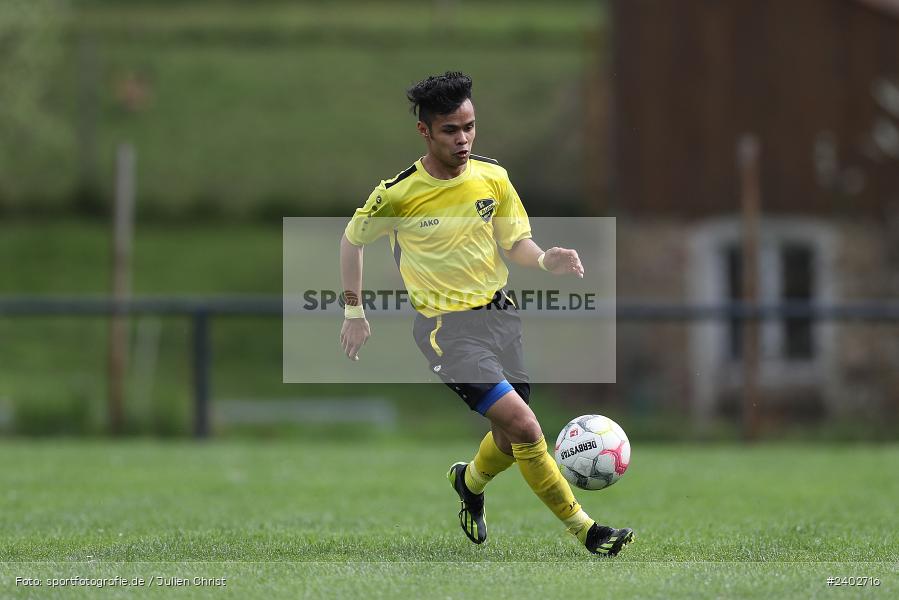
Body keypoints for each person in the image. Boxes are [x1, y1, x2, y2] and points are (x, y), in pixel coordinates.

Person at [338, 71, 634, 556]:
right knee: (527, 427)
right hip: (446, 331)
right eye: (451, 130)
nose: (464, 139)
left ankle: (469, 484)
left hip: (501, 318)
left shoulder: (492, 177)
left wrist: (543, 259)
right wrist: (354, 312)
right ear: (425, 132)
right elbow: (351, 241)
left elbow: (514, 242)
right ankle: (587, 530)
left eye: (470, 127)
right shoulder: (398, 193)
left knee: (507, 431)